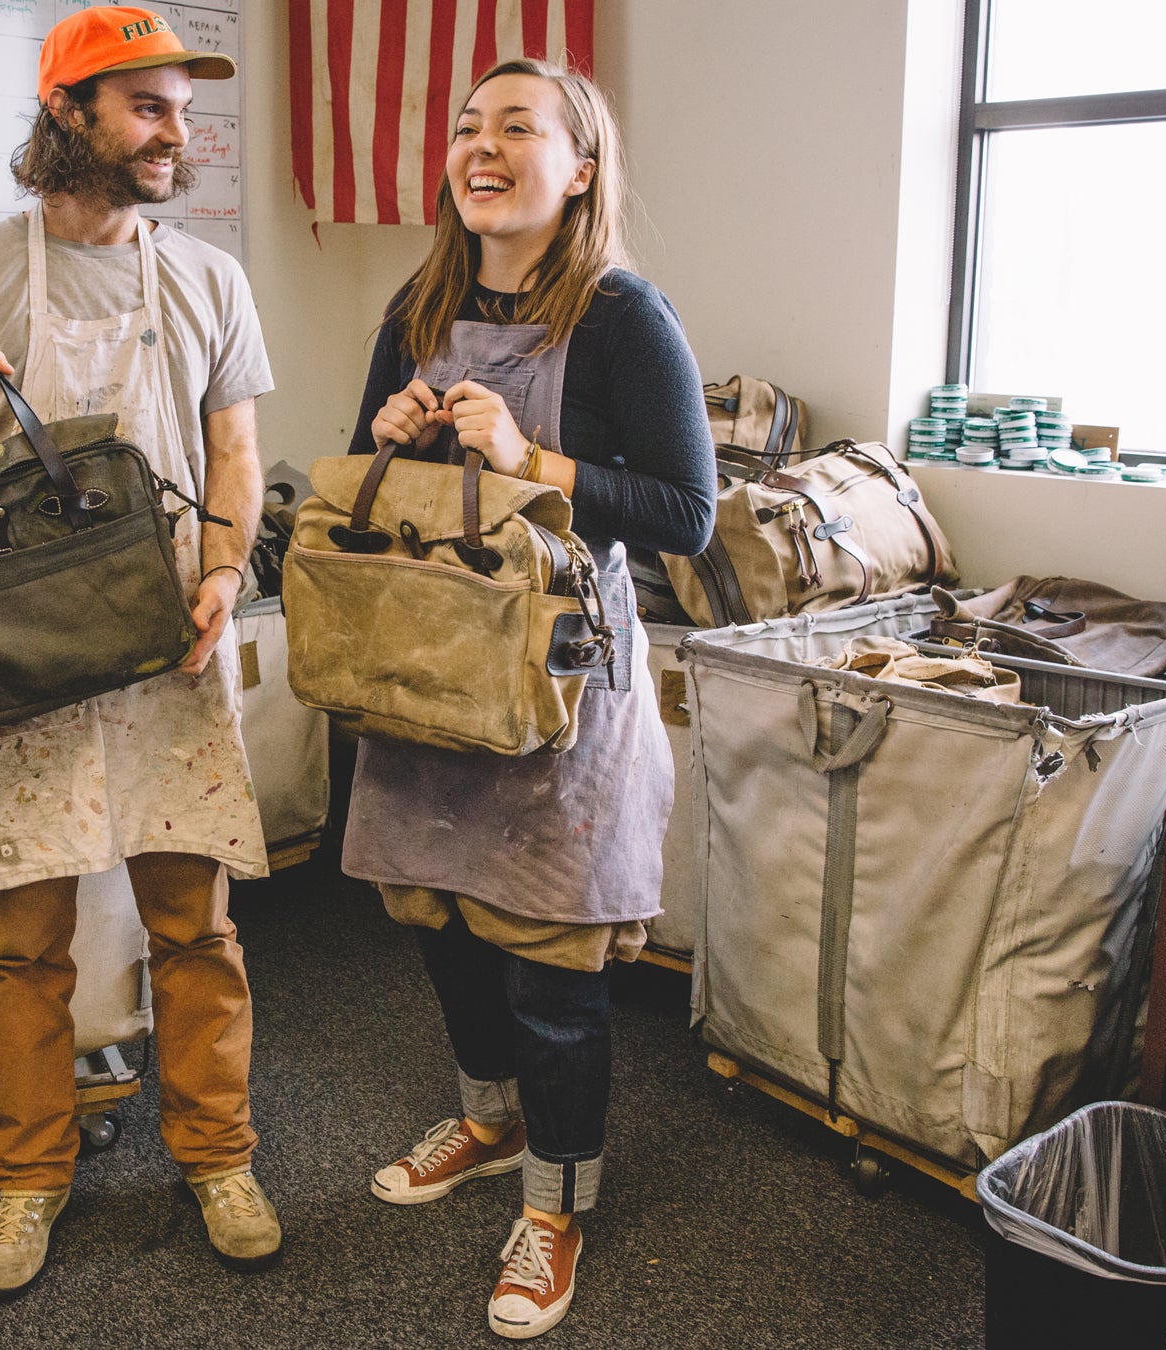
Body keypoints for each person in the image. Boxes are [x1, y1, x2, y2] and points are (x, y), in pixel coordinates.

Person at [0, 6, 280, 1301]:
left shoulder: (209, 279)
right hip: (9, 648)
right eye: (146, 106)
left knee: (194, 926)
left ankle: (218, 1153)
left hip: (166, 644)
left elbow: (237, 457)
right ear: (69, 114)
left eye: (181, 107)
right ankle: (28, 1177)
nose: (174, 131)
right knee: (22, 937)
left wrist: (223, 570)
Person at [342, 59, 716, 1341]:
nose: (479, 146)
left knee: (550, 964)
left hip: (561, 686)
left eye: (516, 127)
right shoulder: (420, 302)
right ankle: (492, 1126)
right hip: (431, 664)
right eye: (464, 128)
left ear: (582, 166)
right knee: (443, 922)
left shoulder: (622, 318)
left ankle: (555, 1208)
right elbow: (362, 477)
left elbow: (686, 514)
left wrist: (530, 456)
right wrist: (394, 428)